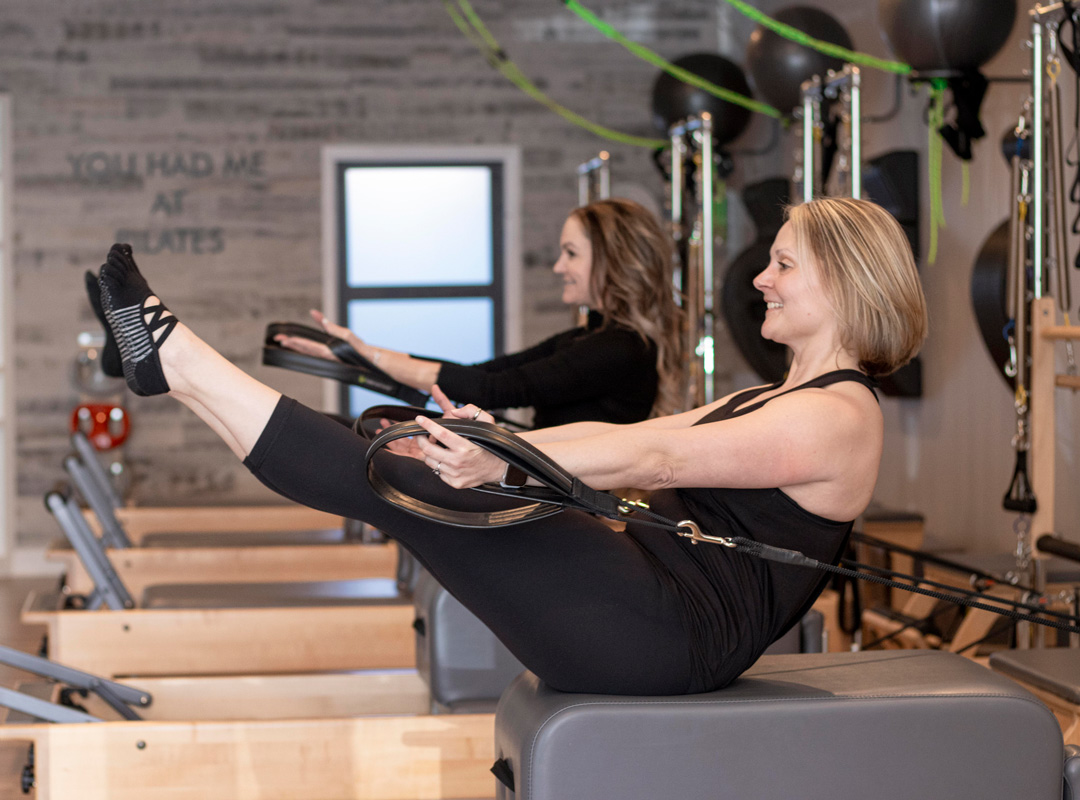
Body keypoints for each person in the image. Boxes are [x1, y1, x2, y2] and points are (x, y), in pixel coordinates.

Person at [89, 195, 926, 697]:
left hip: (667, 638)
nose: (759, 280)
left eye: (782, 265)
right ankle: (177, 368)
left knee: (406, 475)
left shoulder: (840, 415)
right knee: (401, 452)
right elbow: (627, 437)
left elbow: (657, 464)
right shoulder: (767, 396)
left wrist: (505, 459)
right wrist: (489, 441)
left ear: (844, 282)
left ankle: (175, 358)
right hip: (646, 600)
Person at [272, 197, 685, 426]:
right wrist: (352, 354)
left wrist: (363, 355)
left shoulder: (622, 348)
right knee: (342, 428)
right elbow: (482, 374)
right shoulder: (588, 337)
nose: (558, 267)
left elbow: (492, 392)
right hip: (544, 496)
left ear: (613, 261)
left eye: (571, 253)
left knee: (344, 433)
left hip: (561, 513)